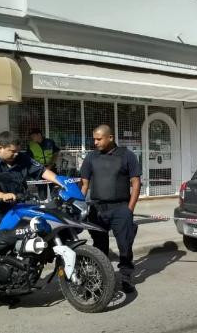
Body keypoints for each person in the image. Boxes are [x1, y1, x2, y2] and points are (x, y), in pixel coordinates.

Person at [80, 124, 141, 294]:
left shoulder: (127, 156)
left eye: (99, 139)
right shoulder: (91, 157)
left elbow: (136, 183)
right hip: (97, 209)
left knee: (125, 246)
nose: (95, 142)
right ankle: (100, 279)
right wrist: (78, 204)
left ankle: (126, 277)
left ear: (110, 138)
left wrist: (129, 209)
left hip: (121, 208)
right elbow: (84, 185)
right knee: (99, 247)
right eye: (94, 139)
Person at [0, 131, 59, 227]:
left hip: (17, 208)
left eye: (18, 151)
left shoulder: (22, 158)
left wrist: (62, 182)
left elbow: (43, 171)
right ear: (0, 148)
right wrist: (2, 195)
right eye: (13, 151)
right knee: (2, 241)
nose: (16, 154)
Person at [27, 128, 60, 200]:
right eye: (31, 137)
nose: (32, 138)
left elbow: (56, 153)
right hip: (39, 170)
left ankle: (55, 203)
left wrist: (50, 165)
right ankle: (42, 204)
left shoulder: (50, 142)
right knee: (41, 190)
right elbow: (29, 159)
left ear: (39, 135)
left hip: (51, 168)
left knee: (54, 188)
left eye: (33, 136)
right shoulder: (31, 145)